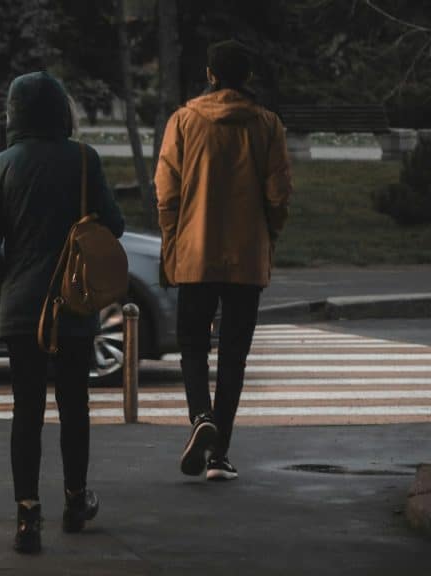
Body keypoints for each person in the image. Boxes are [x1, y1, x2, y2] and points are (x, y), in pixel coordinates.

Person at [0, 71, 125, 554]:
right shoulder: (84, 160)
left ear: (14, 112)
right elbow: (114, 226)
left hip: (22, 312)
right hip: (74, 306)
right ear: (62, 110)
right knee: (75, 407)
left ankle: (26, 517)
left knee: (27, 412)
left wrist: (11, 287)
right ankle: (76, 502)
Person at [155, 40, 293, 481]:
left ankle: (201, 418)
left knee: (193, 345)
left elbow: (167, 193)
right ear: (247, 78)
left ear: (211, 75)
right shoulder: (268, 125)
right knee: (234, 355)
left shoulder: (184, 121)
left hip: (196, 254)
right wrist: (266, 235)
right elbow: (278, 195)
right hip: (246, 259)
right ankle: (220, 456)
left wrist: (172, 244)